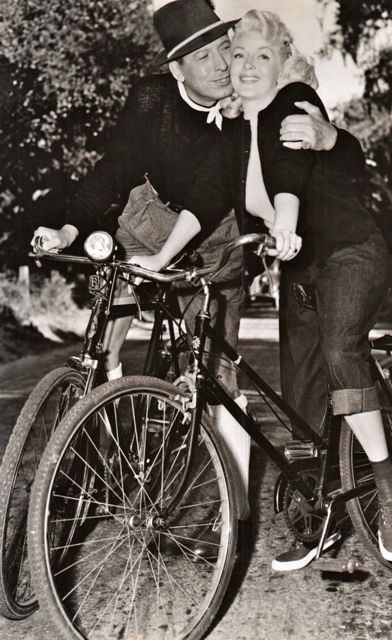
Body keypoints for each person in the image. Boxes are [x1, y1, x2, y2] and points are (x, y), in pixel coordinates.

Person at [30, 0, 357, 522]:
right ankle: (107, 438)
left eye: (225, 49)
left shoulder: (248, 101)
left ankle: (233, 513)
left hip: (217, 238)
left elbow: (283, 132)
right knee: (105, 333)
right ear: (176, 68)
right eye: (204, 57)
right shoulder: (150, 100)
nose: (223, 65)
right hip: (150, 224)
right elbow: (113, 169)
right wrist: (69, 226)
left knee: (215, 371)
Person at [128, 9, 392, 569]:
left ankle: (387, 485)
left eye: (263, 55)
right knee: (301, 394)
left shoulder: (293, 99)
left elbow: (289, 172)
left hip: (351, 251)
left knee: (339, 350)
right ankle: (323, 511)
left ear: (284, 63)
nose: (249, 65)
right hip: (300, 269)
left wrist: (285, 217)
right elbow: (208, 196)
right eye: (239, 55)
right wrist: (160, 257)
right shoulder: (234, 132)